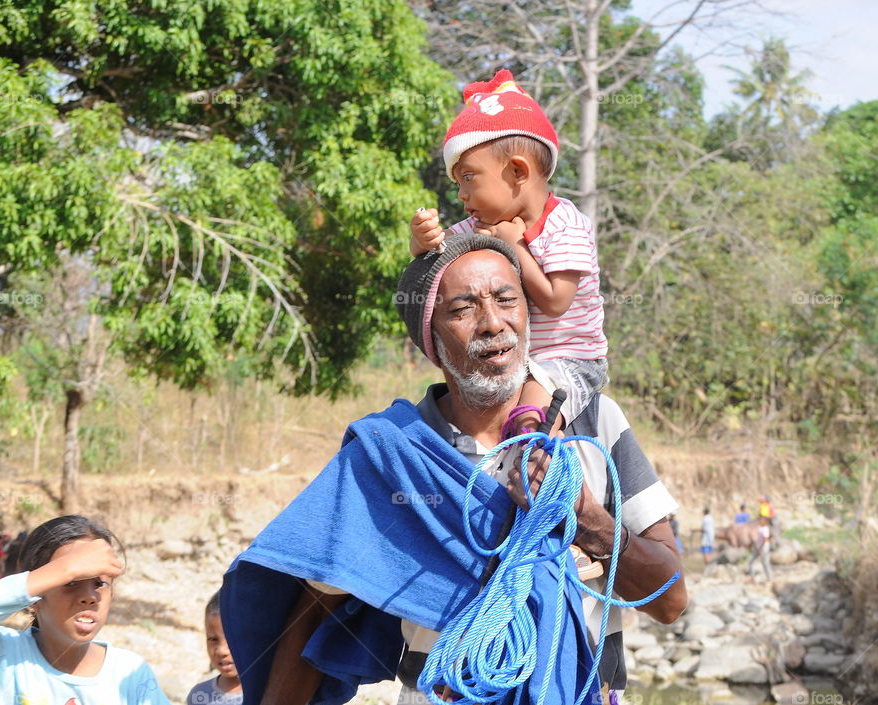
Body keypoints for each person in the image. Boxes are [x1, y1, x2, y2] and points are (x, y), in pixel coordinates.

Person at [220, 236, 686, 705]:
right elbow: (315, 611)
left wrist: (590, 524)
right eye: (463, 309)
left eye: (507, 300)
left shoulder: (594, 425)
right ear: (434, 342)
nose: (493, 323)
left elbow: (669, 601)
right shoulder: (393, 454)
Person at [410, 68, 607, 435]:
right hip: (514, 358)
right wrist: (421, 241)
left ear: (517, 170)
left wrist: (513, 244)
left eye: (468, 178)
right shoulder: (484, 224)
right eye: (457, 184)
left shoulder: (566, 225)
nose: (461, 195)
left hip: (569, 360)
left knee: (529, 418)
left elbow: (555, 301)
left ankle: (541, 473)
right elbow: (439, 254)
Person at [0, 514, 171, 705]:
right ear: (34, 597)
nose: (89, 597)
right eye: (70, 582)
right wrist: (65, 568)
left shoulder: (129, 672)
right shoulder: (6, 658)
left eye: (99, 583)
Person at [187, 590, 244, 705]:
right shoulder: (199, 695)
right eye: (213, 639)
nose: (222, 650)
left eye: (232, 639)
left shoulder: (269, 693)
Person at [748, 515, 774, 582]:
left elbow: (765, 539)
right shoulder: (760, 527)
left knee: (765, 562)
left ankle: (769, 577)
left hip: (763, 548)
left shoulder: (765, 529)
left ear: (765, 522)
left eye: (761, 520)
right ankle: (752, 577)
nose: (760, 521)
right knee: (751, 561)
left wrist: (760, 548)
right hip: (758, 547)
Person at [701, 507, 716, 575]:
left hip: (706, 539)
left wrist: (695, 530)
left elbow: (704, 529)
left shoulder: (705, 519)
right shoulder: (711, 518)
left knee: (706, 554)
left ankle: (708, 569)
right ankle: (711, 569)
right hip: (711, 538)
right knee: (709, 554)